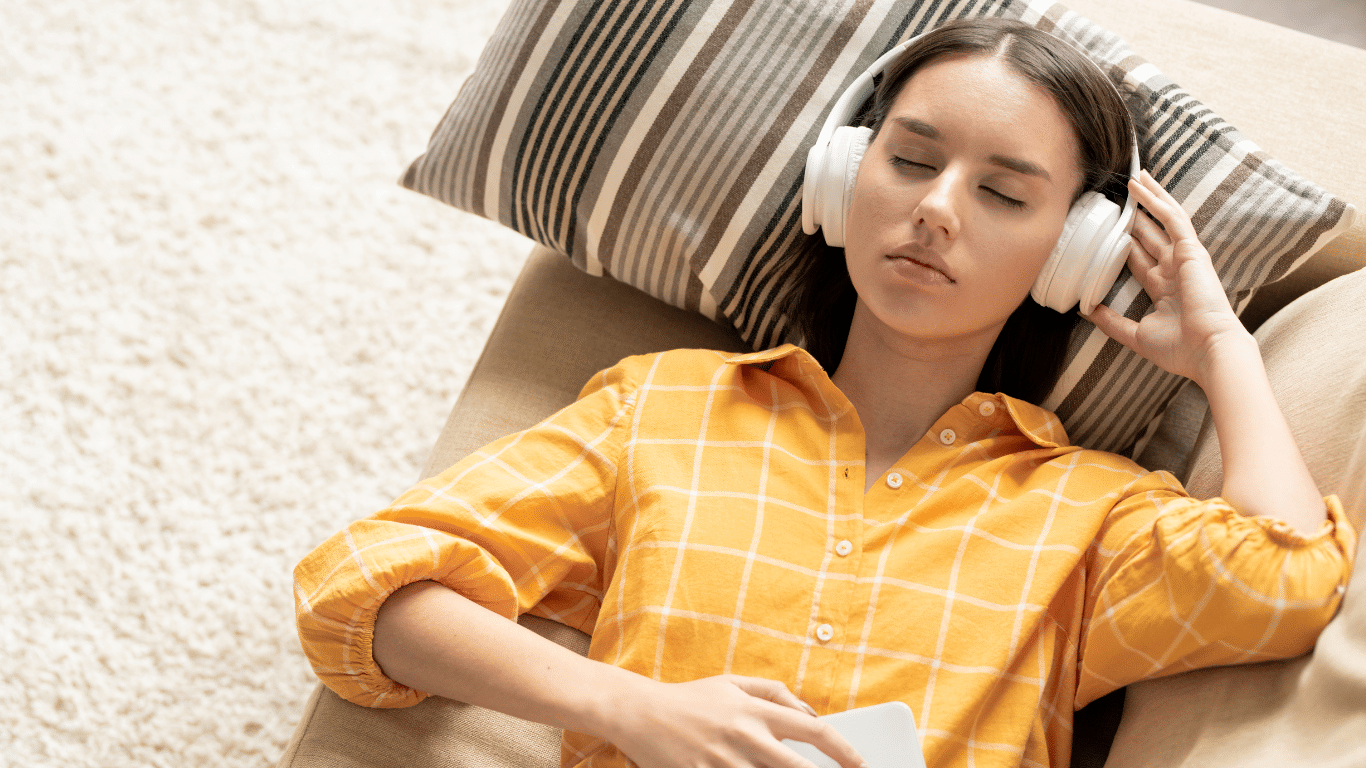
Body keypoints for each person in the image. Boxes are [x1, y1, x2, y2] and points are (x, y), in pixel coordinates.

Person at [292, 18, 1354, 768]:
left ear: (1068, 250)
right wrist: (634, 710)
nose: (937, 209)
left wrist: (1219, 347)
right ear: (843, 181)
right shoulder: (664, 411)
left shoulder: (1087, 511)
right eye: (910, 160)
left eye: (999, 191)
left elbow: (1282, 581)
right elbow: (365, 592)